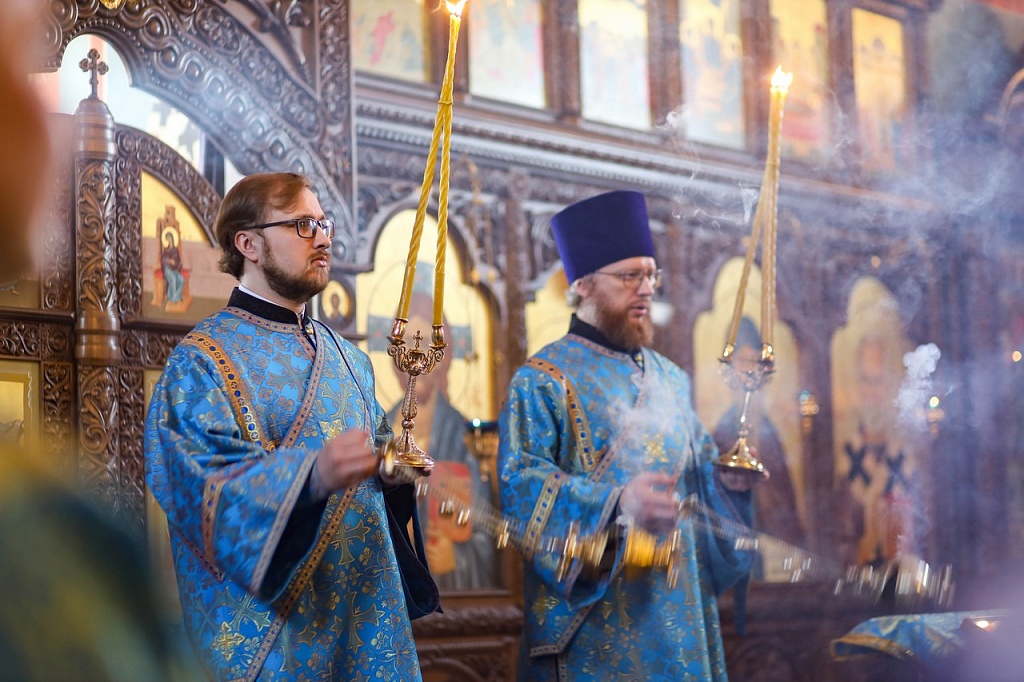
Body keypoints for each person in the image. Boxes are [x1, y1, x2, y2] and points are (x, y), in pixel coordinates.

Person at [144, 172, 440, 680]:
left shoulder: (350, 359)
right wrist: (312, 475)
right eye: (303, 225)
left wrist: (393, 473)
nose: (323, 238)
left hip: (368, 623)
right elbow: (200, 488)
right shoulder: (201, 361)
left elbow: (377, 457)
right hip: (277, 638)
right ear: (248, 244)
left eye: (323, 223)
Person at [498, 190, 761, 681]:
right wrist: (618, 505)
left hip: (681, 619)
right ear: (582, 285)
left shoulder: (671, 378)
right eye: (629, 276)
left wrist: (729, 485)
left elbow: (700, 487)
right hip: (594, 635)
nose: (646, 289)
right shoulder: (541, 381)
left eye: (651, 276)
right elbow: (521, 492)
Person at [386, 293, 500, 591]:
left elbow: (487, 532)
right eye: (408, 342)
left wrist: (456, 558)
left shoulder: (465, 439)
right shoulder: (379, 429)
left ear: (442, 357)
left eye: (426, 343)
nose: (417, 356)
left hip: (451, 597)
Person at [712, 315, 805, 555]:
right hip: (734, 549)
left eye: (755, 361)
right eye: (743, 361)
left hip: (772, 549)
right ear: (730, 367)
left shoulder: (769, 434)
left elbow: (786, 507)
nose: (749, 371)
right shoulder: (722, 434)